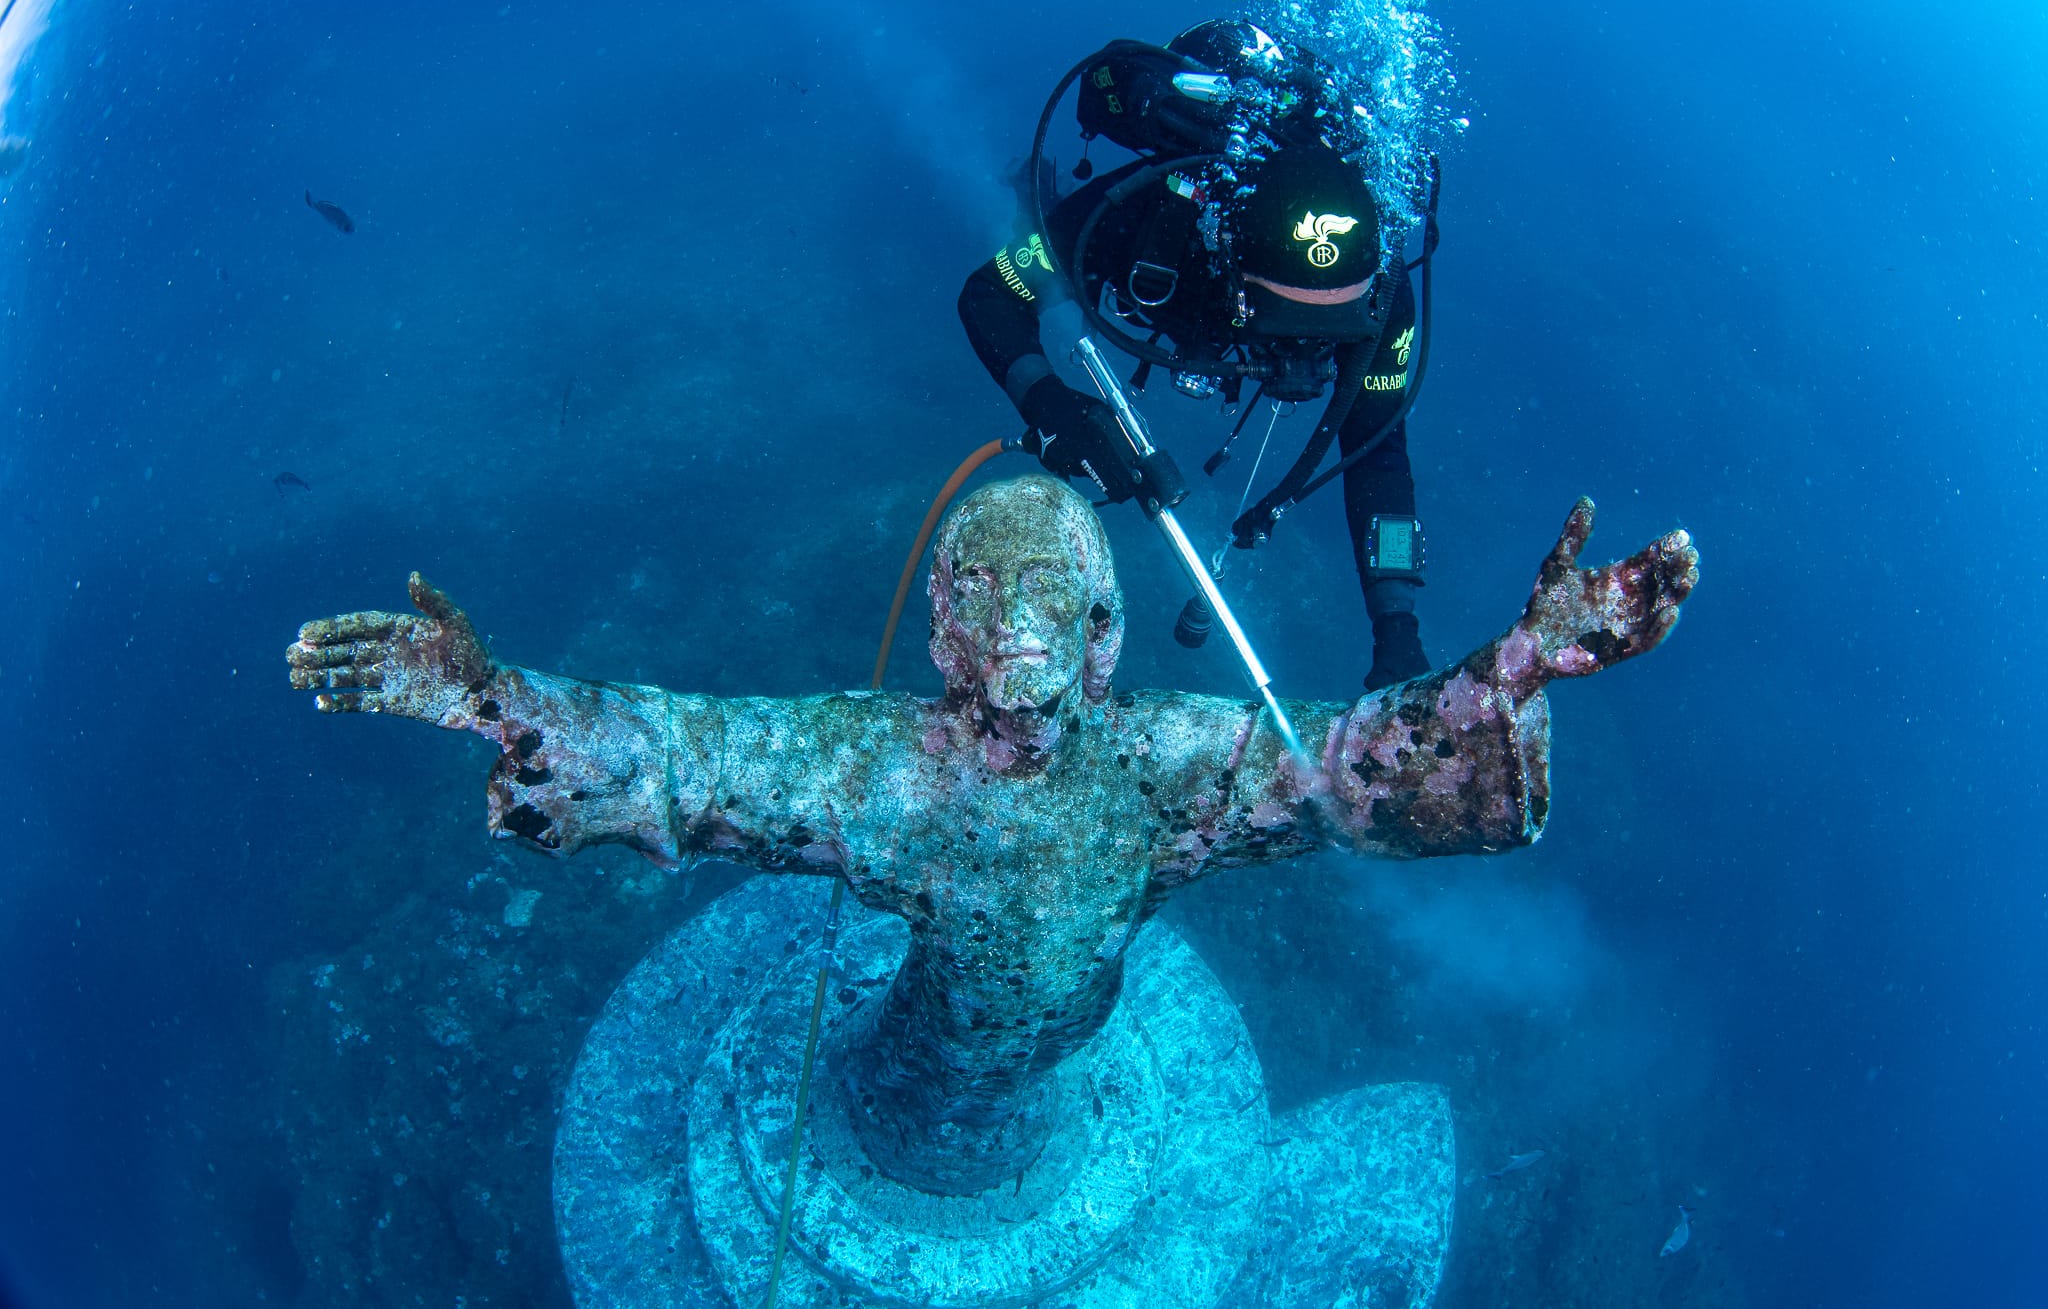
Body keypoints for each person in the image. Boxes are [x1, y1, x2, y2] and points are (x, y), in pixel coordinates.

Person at [286, 474, 1697, 1193]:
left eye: (1048, 601)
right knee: (914, 1101)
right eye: (983, 598)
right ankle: (905, 1131)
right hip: (916, 1063)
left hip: (1065, 1040)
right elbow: (685, 751)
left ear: (1101, 633)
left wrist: (1511, 671)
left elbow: (1348, 766)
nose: (1012, 626)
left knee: (1012, 1079)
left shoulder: (1170, 767)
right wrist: (492, 698)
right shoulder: (883, 770)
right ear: (948, 628)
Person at [959, 20, 1437, 688]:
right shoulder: (1156, 219)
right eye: (1284, 329)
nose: (1300, 367)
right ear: (1231, 268)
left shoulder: (1381, 293)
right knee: (1042, 246)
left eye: (1329, 337)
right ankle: (1029, 191)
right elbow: (991, 293)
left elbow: (1377, 453)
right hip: (1164, 272)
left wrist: (1398, 632)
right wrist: (1049, 402)